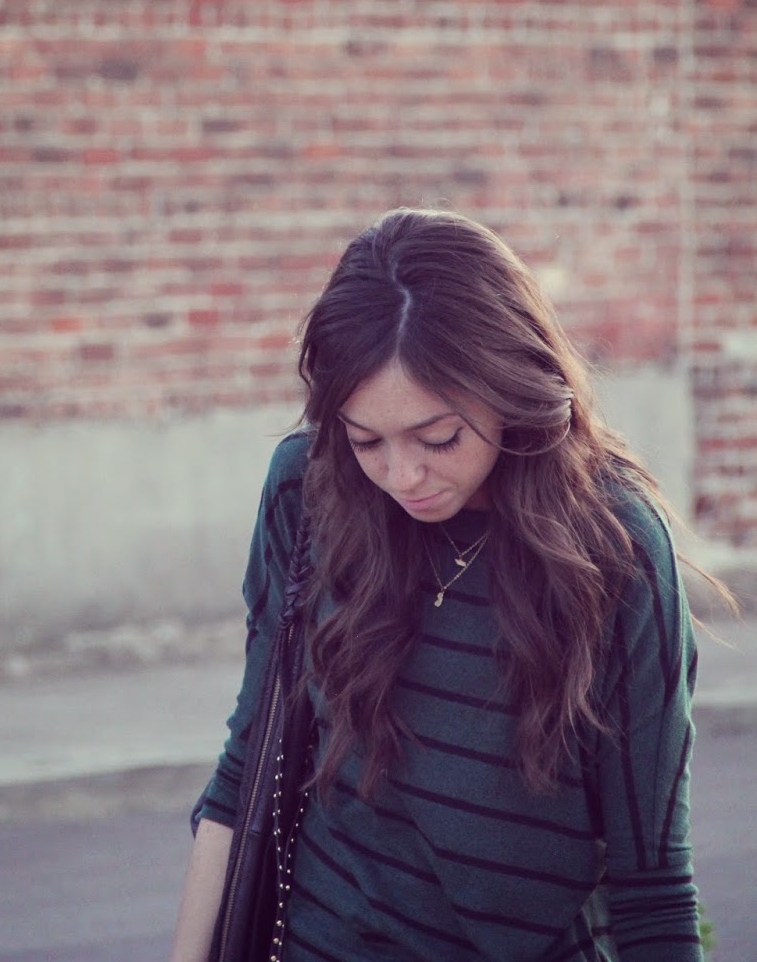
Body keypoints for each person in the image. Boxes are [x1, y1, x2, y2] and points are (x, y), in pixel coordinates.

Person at [170, 207, 731, 962]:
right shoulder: (309, 490)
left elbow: (652, 884)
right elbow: (246, 768)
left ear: (508, 387)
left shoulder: (613, 545)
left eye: (438, 438)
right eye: (366, 440)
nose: (403, 475)